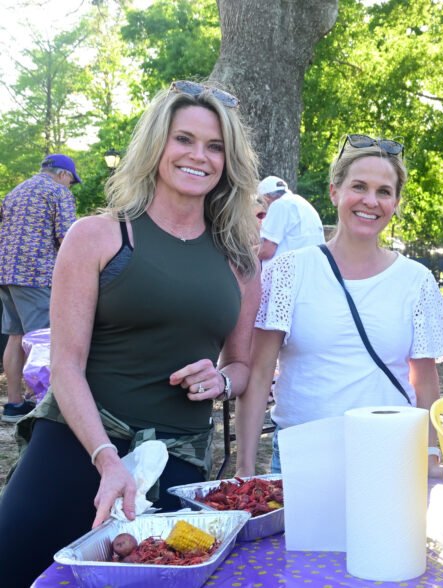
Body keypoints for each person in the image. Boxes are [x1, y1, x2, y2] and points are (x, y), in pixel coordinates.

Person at [0, 80, 262, 586]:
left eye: (215, 147)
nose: (199, 157)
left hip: (179, 458)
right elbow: (66, 365)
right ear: (156, 144)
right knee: (15, 567)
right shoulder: (98, 236)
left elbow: (242, 365)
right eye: (184, 139)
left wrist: (222, 382)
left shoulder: (240, 259)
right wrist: (106, 459)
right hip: (78, 443)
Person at [234, 134, 443, 477]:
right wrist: (245, 469)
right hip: (304, 458)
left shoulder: (417, 281)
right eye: (359, 187)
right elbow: (261, 371)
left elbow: (424, 381)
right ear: (334, 192)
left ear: (396, 202)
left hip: (390, 458)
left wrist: (430, 456)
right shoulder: (289, 270)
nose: (370, 200)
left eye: (384, 191)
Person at [0, 154, 78, 423]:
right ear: (63, 175)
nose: (70, 186)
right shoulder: (58, 192)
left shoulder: (15, 191)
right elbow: (68, 238)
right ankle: (44, 407)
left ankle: (14, 404)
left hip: (6, 274)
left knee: (15, 336)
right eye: (71, 181)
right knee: (44, 340)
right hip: (36, 275)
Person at [257, 175, 325, 262]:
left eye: (260, 201)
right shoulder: (301, 202)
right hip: (311, 265)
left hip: (293, 270)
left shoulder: (279, 205)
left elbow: (267, 250)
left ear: (266, 198)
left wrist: (242, 254)